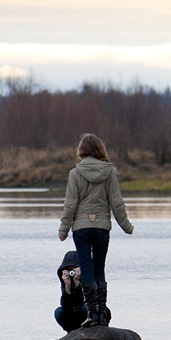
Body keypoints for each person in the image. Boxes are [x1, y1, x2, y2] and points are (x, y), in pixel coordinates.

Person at [58, 133, 134, 327]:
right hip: (102, 228)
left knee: (87, 269)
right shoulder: (109, 172)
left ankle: (92, 314)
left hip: (81, 229)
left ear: (81, 151)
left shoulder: (75, 173)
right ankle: (101, 314)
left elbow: (70, 204)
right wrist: (126, 226)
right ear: (99, 149)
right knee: (100, 269)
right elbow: (116, 202)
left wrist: (63, 229)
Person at [55, 250, 87, 333]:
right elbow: (65, 305)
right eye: (69, 270)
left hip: (85, 311)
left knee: (85, 308)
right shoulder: (66, 280)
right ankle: (71, 332)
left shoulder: (88, 278)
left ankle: (89, 330)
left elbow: (86, 300)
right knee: (59, 311)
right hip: (73, 314)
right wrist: (67, 287)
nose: (72, 273)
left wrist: (77, 282)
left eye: (74, 269)